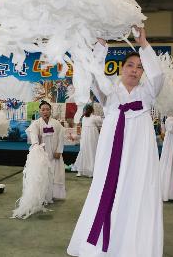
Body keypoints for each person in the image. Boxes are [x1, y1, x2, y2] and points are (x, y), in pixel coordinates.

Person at [67, 27, 164, 256]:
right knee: (107, 188)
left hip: (140, 153)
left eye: (140, 67)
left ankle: (134, 246)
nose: (135, 70)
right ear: (121, 69)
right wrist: (101, 45)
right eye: (130, 65)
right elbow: (91, 76)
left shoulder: (148, 93)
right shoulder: (109, 91)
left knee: (138, 190)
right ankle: (100, 245)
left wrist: (143, 44)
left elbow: (158, 76)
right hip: (112, 151)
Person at [26, 100, 66, 202]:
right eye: (43, 109)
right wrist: (35, 146)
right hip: (42, 155)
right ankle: (43, 195)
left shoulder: (56, 124)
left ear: (50, 111)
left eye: (47, 109)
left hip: (55, 155)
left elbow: (61, 137)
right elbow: (33, 134)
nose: (45, 111)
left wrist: (59, 150)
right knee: (43, 175)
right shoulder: (36, 124)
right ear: (40, 111)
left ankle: (53, 194)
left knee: (55, 174)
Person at [73, 104, 102, 177]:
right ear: (92, 110)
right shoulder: (95, 118)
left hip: (85, 137)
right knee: (92, 152)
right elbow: (100, 125)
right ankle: (91, 171)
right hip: (92, 138)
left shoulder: (83, 118)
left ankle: (80, 170)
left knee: (84, 152)